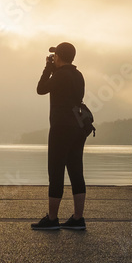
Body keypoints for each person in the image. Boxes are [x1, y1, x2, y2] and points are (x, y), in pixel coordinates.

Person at [31, 41, 89, 231]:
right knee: (76, 171)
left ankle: (53, 219)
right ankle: (78, 218)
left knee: (56, 171)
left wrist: (47, 68)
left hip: (61, 127)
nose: (52, 58)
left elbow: (40, 89)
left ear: (58, 56)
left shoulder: (60, 75)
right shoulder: (78, 75)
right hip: (78, 128)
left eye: (54, 55)